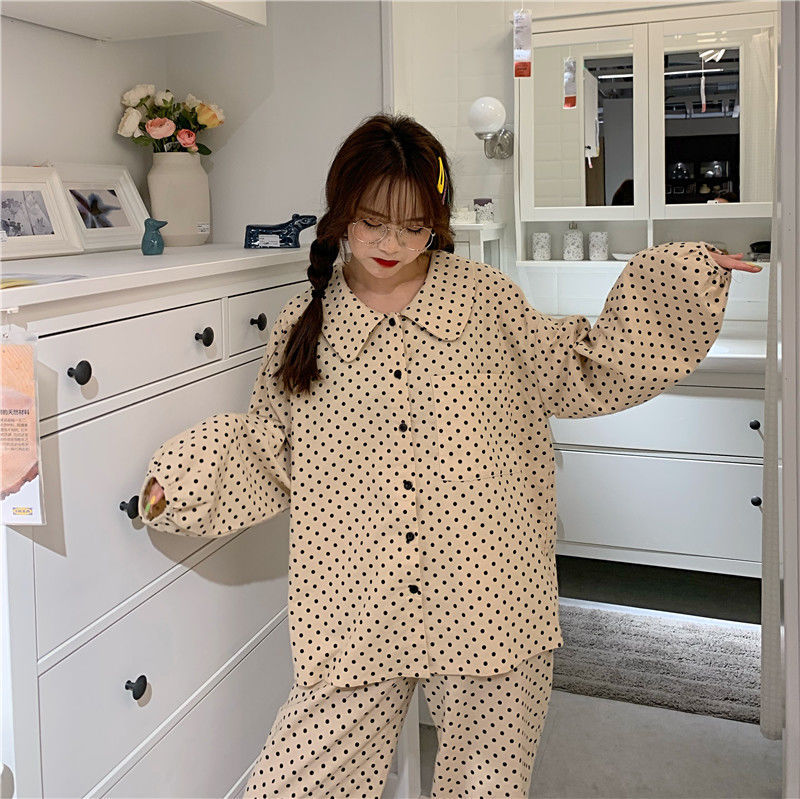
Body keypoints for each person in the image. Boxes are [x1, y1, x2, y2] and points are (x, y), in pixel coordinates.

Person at [139, 113, 760, 799]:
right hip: (354, 603)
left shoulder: (486, 300)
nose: (392, 243)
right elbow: (270, 447)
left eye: (414, 226)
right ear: (341, 209)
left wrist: (681, 282)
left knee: (486, 787)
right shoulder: (304, 323)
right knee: (297, 779)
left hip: (491, 599)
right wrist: (182, 485)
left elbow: (581, 366)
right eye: (373, 221)